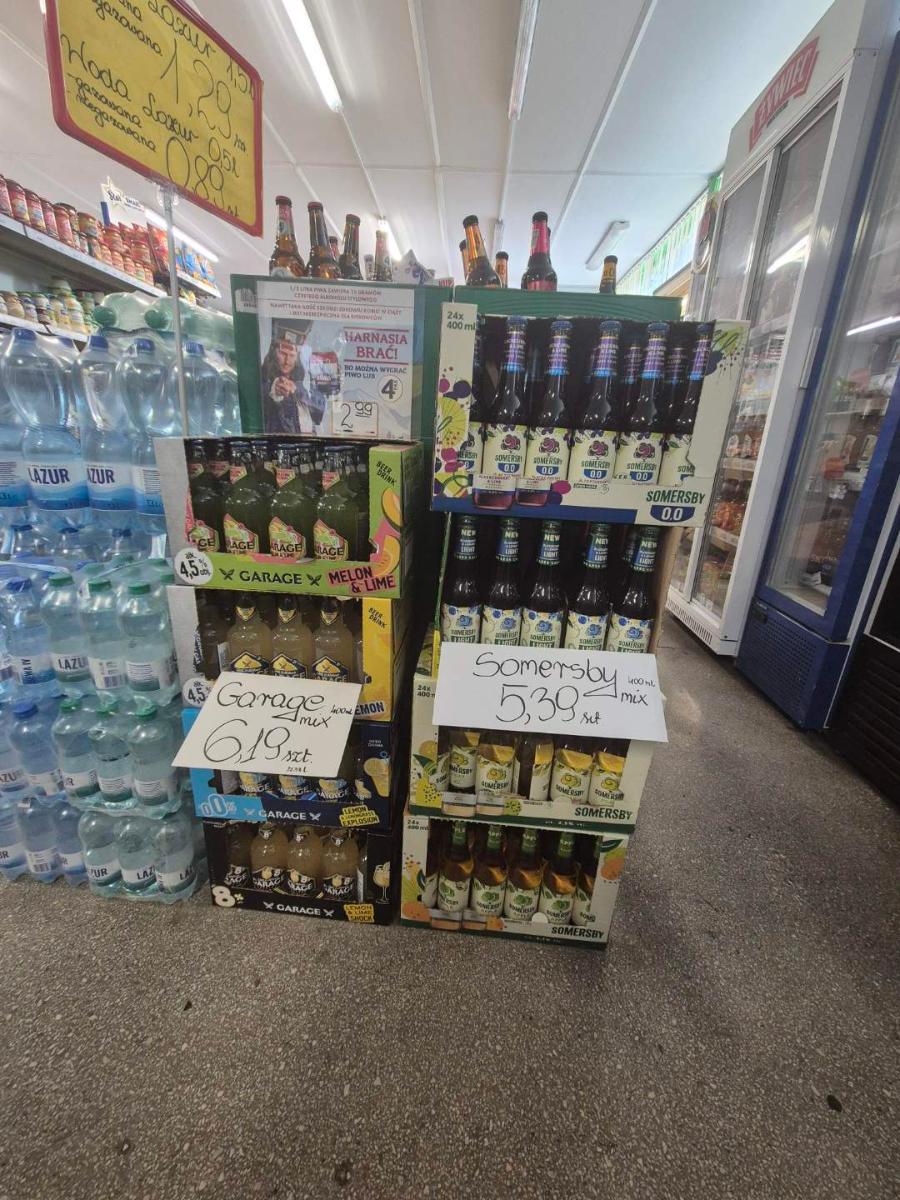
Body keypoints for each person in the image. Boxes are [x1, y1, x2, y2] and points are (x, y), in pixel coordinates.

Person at [261, 324, 326, 434]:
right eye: (283, 354)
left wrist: (296, 391)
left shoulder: (303, 383)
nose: (287, 361)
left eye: (291, 355)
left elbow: (320, 411)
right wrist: (274, 391)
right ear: (273, 353)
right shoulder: (263, 381)